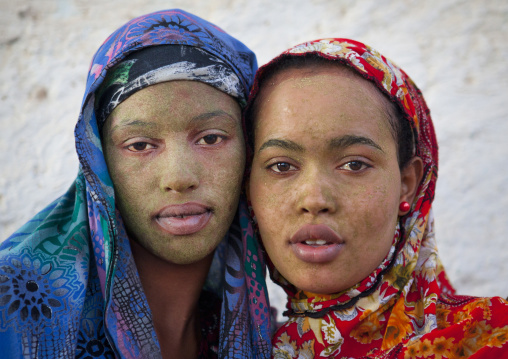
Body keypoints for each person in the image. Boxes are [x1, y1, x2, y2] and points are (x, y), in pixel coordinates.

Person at [0, 9, 271, 358]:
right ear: (99, 162)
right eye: (140, 145)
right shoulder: (16, 302)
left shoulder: (245, 324)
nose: (178, 178)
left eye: (211, 139)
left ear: (249, 147)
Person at [245, 38, 508, 358]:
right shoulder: (230, 349)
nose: (314, 199)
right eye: (281, 166)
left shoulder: (489, 339)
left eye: (354, 164)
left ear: (407, 184)